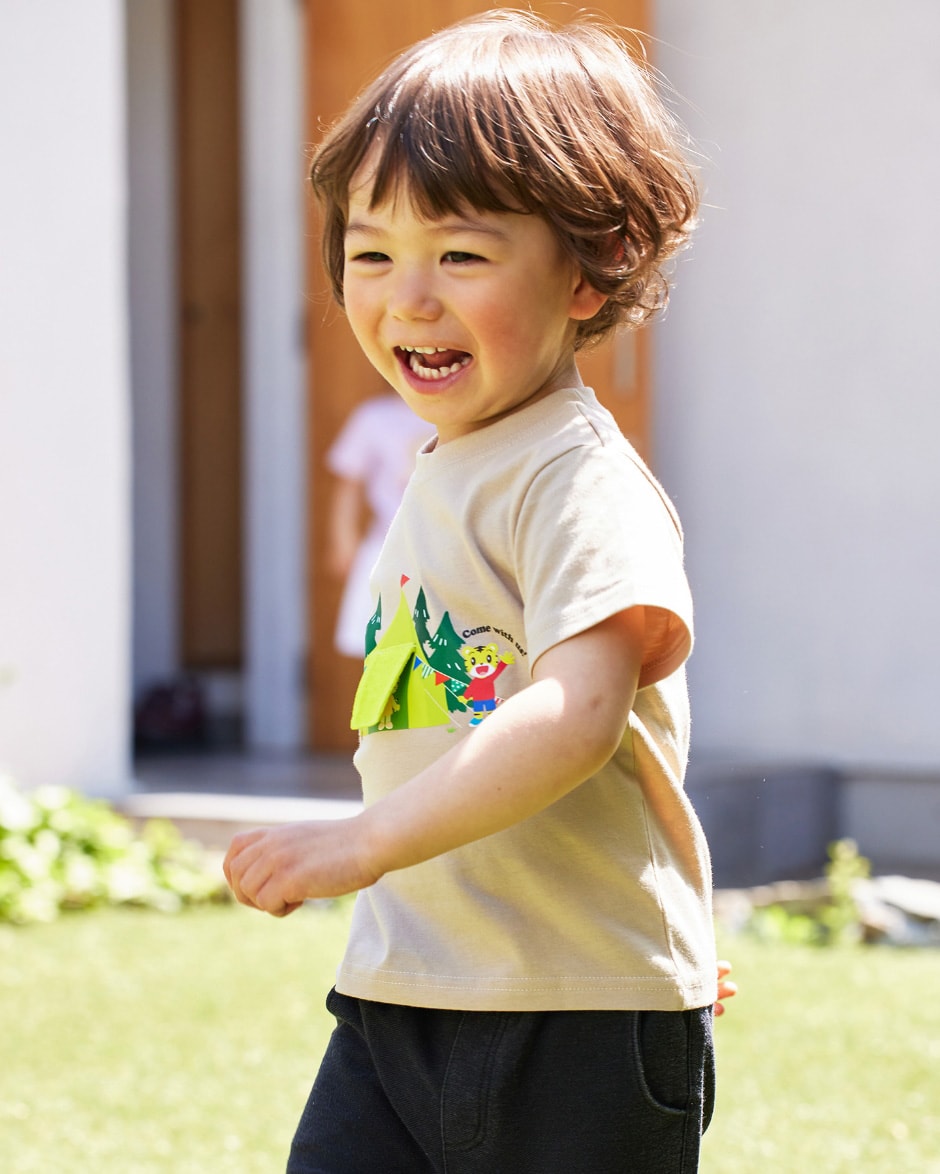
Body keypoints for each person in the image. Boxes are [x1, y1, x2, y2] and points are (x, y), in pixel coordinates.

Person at [225, 11, 726, 1171]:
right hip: (404, 987)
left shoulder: (575, 477)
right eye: (370, 251)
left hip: (576, 1019)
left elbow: (576, 714)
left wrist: (360, 845)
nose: (408, 296)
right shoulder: (451, 458)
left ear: (591, 275)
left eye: (459, 254)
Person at [326, 391, 430, 658]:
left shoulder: (462, 412)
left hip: (446, 551)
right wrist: (343, 540)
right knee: (378, 645)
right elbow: (349, 483)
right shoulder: (373, 418)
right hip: (385, 548)